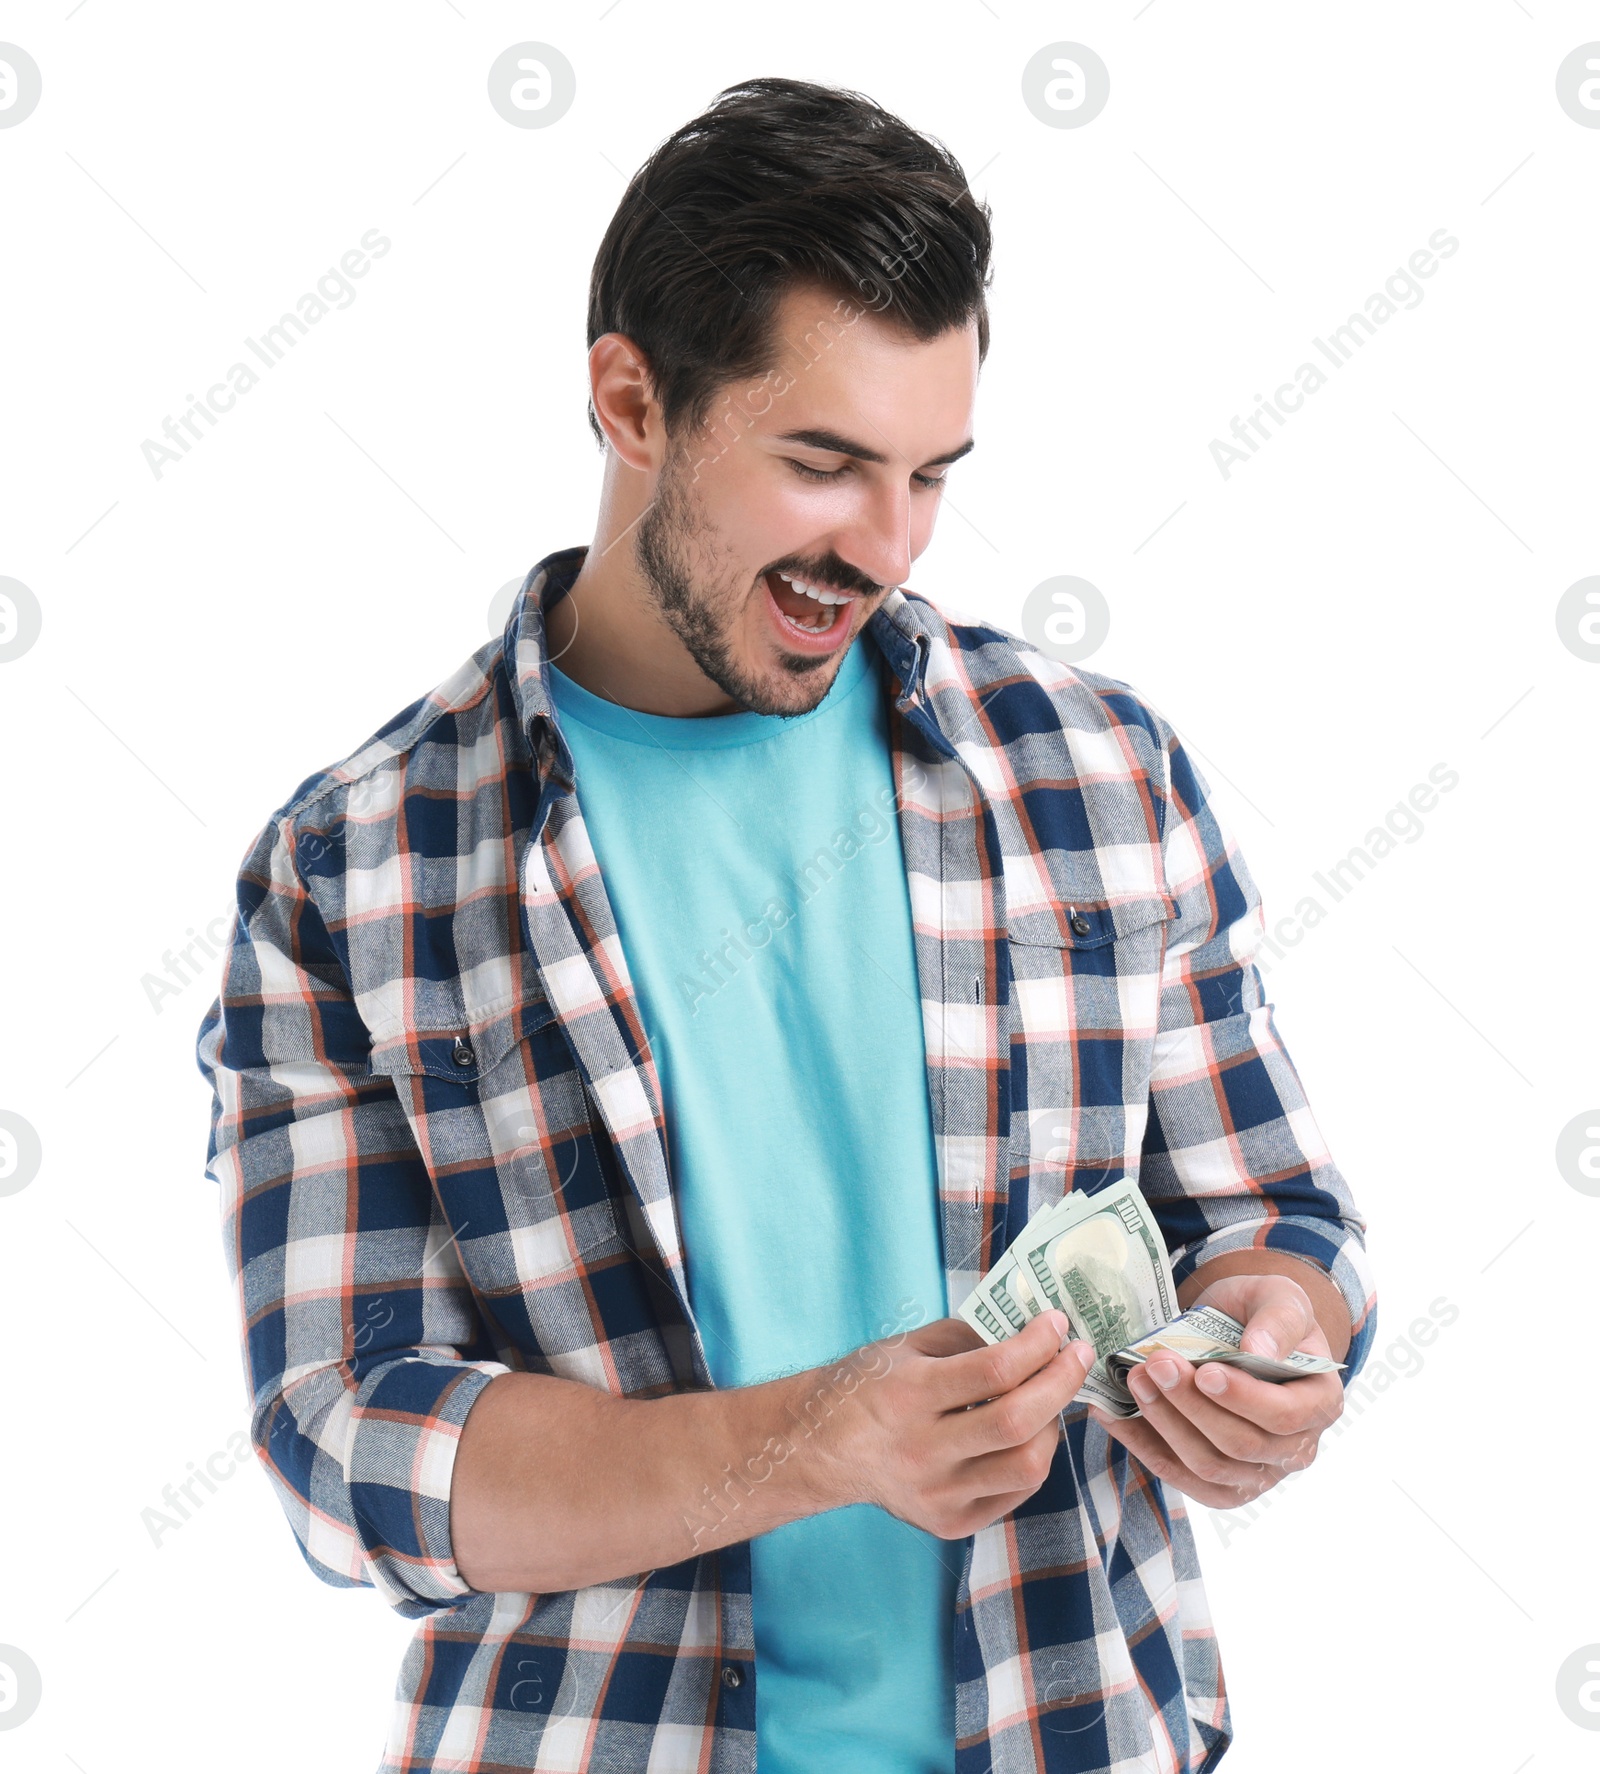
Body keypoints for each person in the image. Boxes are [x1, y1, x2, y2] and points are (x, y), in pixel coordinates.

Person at [195, 75, 1376, 1774]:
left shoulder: (1099, 772)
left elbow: (1276, 1217)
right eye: (823, 465)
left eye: (929, 475)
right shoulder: (361, 871)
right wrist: (812, 1442)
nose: (882, 546)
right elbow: (349, 1438)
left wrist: (1270, 1345)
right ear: (632, 400)